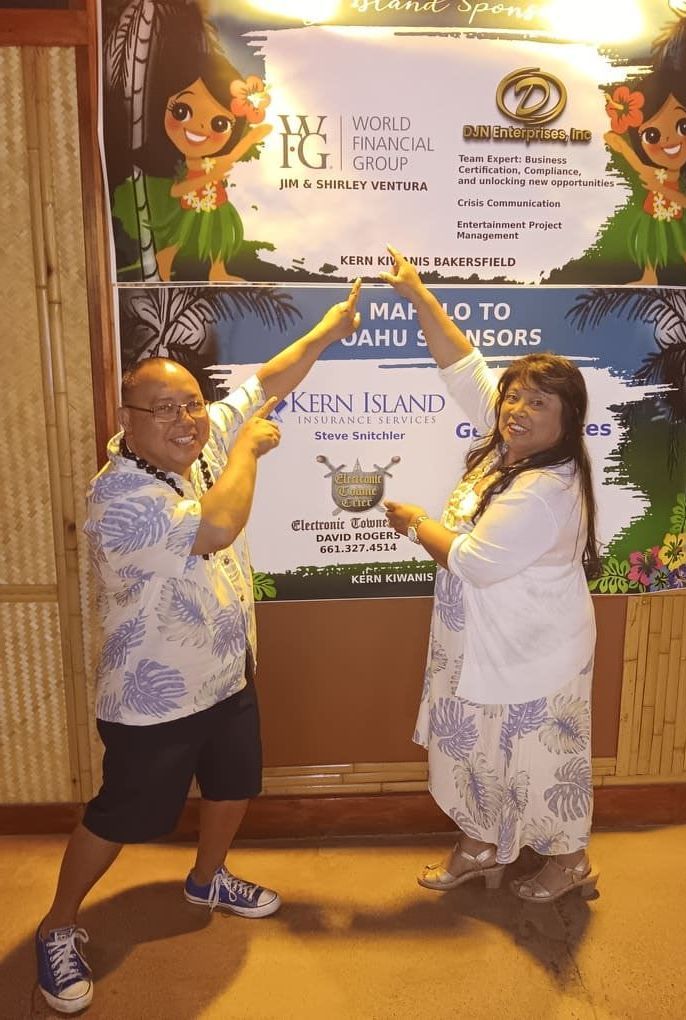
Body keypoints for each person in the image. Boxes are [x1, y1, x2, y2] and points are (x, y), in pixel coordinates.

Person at [35, 282, 361, 1015]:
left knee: (232, 786)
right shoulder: (119, 496)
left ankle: (207, 876)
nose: (186, 420)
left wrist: (330, 329)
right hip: (154, 696)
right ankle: (58, 926)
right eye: (164, 409)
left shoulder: (196, 439)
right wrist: (248, 445)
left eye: (191, 405)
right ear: (127, 419)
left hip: (225, 674)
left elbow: (269, 379)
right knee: (120, 815)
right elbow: (217, 525)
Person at [380, 247, 599, 902]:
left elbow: (473, 561)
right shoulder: (510, 445)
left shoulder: (542, 488)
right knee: (472, 747)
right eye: (514, 396)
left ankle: (569, 861)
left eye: (537, 401)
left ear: (565, 421)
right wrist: (419, 295)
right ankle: (478, 843)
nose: (516, 408)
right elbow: (463, 365)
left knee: (543, 761)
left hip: (533, 650)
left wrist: (417, 523)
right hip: (477, 642)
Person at [107, 2, 272, 282]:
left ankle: (217, 270)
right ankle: (164, 259)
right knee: (180, 238)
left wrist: (254, 136)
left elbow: (232, 157)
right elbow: (178, 190)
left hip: (215, 206)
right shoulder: (194, 163)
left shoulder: (214, 160)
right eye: (182, 111)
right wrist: (208, 178)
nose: (198, 128)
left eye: (219, 124)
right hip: (193, 204)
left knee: (223, 237)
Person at [603, 66, 686, 286]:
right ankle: (650, 276)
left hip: (668, 216)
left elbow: (685, 201)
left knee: (676, 247)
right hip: (652, 214)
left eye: (683, 126)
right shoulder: (657, 172)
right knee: (649, 244)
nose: (669, 139)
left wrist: (658, 188)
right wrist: (621, 146)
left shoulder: (670, 175)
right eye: (652, 135)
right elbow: (639, 165)